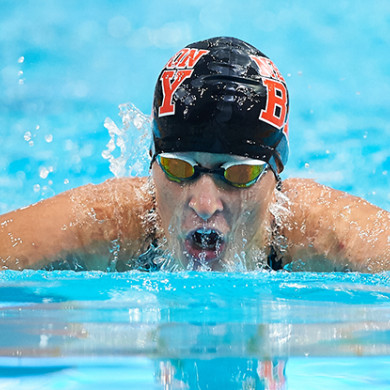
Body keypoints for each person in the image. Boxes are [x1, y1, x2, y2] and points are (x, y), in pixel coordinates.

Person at [0, 36, 389, 272]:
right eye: (178, 168)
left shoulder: (323, 233)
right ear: (152, 160)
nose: (204, 204)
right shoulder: (109, 224)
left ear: (276, 168)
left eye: (235, 174)